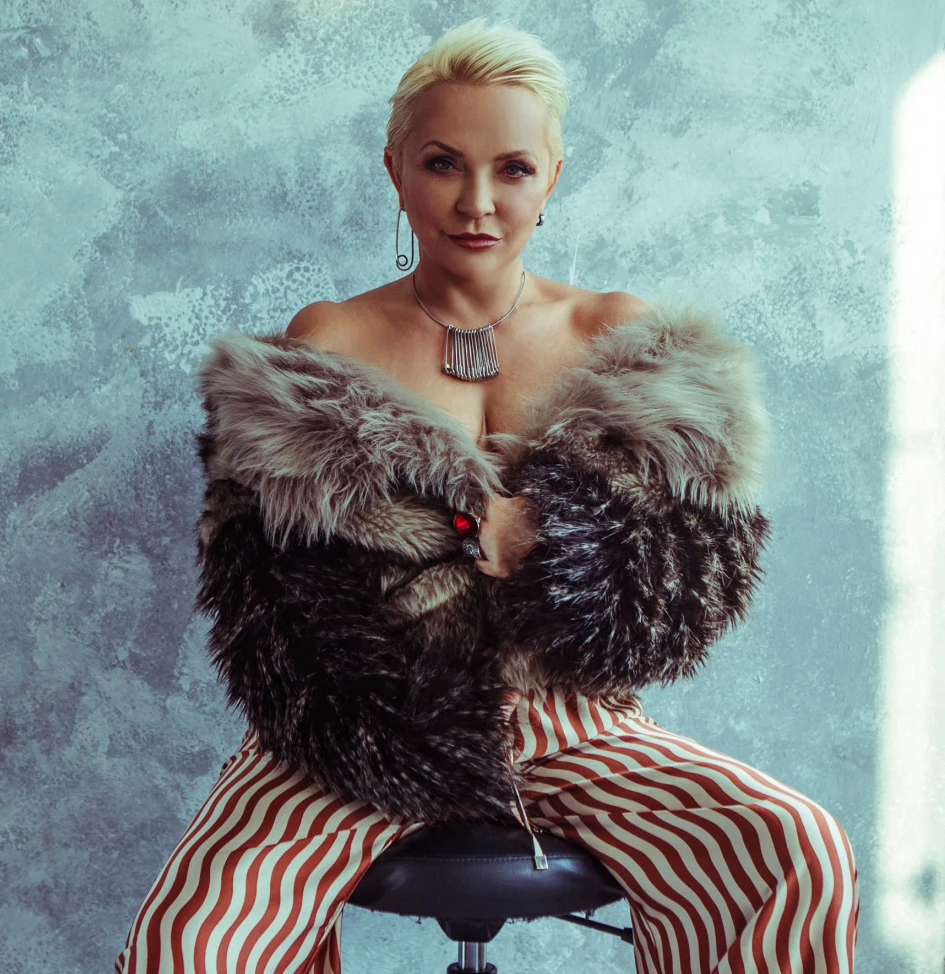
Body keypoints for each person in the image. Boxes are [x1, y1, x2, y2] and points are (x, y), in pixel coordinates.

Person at [115, 17, 858, 973]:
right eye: (442, 164)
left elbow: (695, 566)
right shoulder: (330, 338)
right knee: (191, 941)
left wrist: (556, 531)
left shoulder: (618, 335)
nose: (477, 202)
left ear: (553, 178)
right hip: (364, 723)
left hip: (574, 717)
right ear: (395, 171)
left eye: (512, 169)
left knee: (794, 848)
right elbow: (269, 582)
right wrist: (467, 527)